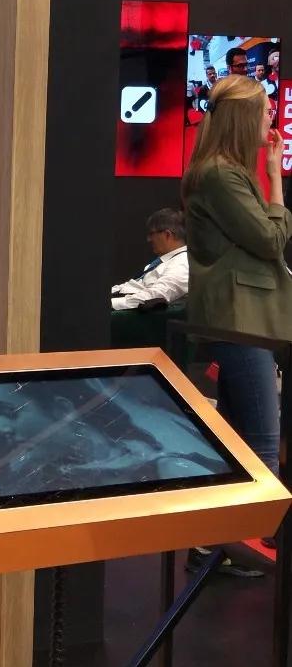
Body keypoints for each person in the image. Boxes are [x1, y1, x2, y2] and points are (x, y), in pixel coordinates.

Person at [182, 74, 292, 576]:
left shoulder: (221, 172)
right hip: (239, 321)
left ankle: (213, 545)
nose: (272, 116)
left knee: (234, 439)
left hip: (241, 319)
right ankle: (250, 545)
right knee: (262, 442)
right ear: (245, 118)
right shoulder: (221, 176)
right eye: (266, 109)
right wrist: (276, 182)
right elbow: (271, 239)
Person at [111, 208, 189, 311]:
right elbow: (131, 286)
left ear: (167, 235)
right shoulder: (162, 262)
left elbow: (155, 296)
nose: (148, 239)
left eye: (151, 234)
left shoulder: (183, 263)